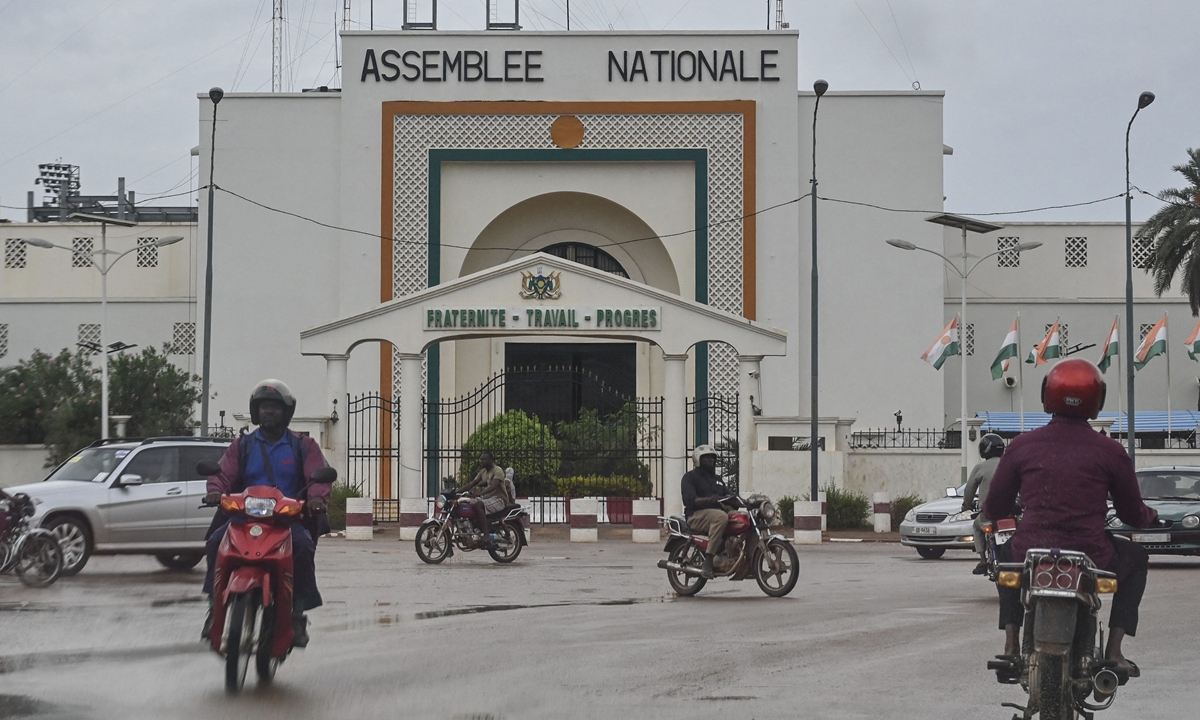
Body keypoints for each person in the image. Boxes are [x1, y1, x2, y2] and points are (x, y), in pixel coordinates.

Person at [984, 359, 1158, 680]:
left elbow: (994, 508)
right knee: (1137, 558)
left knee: (1004, 561)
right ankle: (1114, 651)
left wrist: (1011, 518)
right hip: (1093, 554)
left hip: (1029, 551)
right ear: (1098, 400)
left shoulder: (1021, 446)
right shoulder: (1111, 451)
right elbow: (1132, 513)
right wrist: (1151, 517)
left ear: (1046, 395)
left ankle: (1010, 645)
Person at [201, 379, 331, 648]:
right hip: (243, 518)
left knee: (304, 546)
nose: (268, 412)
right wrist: (216, 490)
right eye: (264, 407)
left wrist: (317, 498)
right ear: (255, 412)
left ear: (286, 412)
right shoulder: (243, 445)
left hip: (286, 520)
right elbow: (223, 474)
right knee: (215, 542)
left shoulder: (302, 446)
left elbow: (317, 475)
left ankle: (297, 614)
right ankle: (215, 608)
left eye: (274, 407)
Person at [680, 445, 729, 579]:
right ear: (697, 460)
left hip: (714, 513)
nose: (710, 460)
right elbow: (689, 500)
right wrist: (708, 500)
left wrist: (748, 503)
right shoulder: (689, 477)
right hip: (696, 515)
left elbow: (729, 497)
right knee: (721, 517)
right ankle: (708, 559)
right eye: (706, 458)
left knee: (742, 517)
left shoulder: (717, 480)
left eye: (712, 458)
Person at [962, 433, 1005, 575]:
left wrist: (966, 506)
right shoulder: (1009, 464)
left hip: (989, 514)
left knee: (976, 526)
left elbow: (969, 490)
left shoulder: (980, 467)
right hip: (1010, 512)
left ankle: (982, 560)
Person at [460, 451, 509, 548]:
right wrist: (455, 492)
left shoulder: (497, 470)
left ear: (491, 460)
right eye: (480, 459)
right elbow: (472, 484)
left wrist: (480, 493)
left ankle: (486, 535)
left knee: (478, 504)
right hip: (488, 499)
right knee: (464, 503)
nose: (481, 461)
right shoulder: (482, 472)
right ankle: (472, 528)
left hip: (499, 499)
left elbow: (494, 486)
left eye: (484, 459)